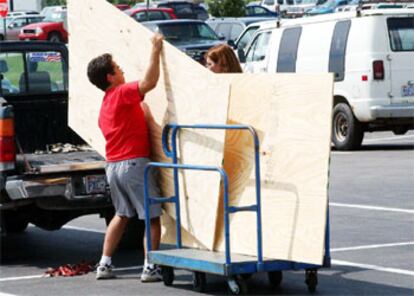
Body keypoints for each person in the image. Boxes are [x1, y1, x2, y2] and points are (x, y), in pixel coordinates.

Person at [86, 34, 164, 282]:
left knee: (122, 215)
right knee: (152, 217)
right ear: (110, 77)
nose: (122, 71)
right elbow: (149, 82)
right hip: (134, 164)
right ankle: (150, 267)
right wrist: (155, 49)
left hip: (113, 166)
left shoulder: (105, 104)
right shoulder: (120, 93)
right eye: (118, 68)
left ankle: (104, 264)